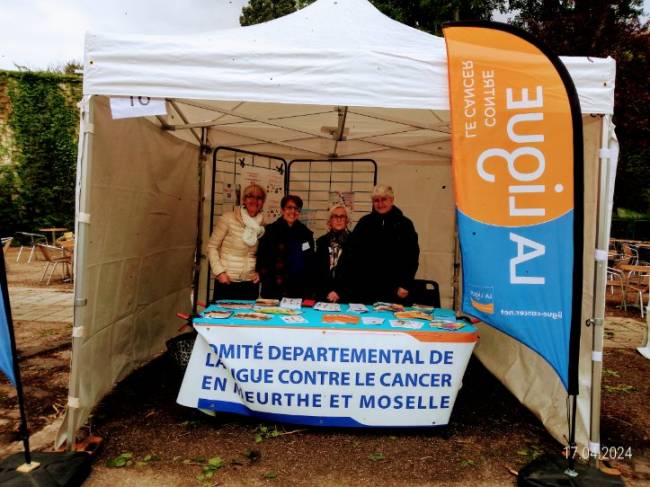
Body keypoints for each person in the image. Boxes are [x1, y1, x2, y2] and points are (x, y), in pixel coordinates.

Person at [346, 184, 419, 304]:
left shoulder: (405, 224)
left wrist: (405, 284)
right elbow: (352, 253)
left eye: (384, 199)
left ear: (392, 200)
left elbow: (412, 256)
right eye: (376, 201)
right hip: (365, 288)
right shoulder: (364, 223)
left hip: (395, 289)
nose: (380, 204)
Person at [207, 183, 266, 301]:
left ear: (263, 202)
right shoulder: (228, 218)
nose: (255, 200)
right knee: (222, 317)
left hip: (249, 283)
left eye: (259, 197)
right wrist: (219, 272)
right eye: (250, 196)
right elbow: (211, 247)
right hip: (227, 280)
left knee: (247, 318)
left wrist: (260, 273)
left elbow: (264, 253)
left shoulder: (263, 225)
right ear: (244, 199)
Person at [257, 195, 315, 299]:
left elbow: (310, 261)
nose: (293, 211)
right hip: (273, 287)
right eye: (289, 207)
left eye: (296, 209)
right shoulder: (270, 231)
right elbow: (262, 257)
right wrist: (264, 277)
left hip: (298, 289)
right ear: (282, 210)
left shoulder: (306, 233)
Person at [315, 204, 351, 302]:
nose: (339, 220)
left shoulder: (355, 242)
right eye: (335, 216)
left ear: (347, 220)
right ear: (330, 221)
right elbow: (317, 272)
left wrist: (339, 292)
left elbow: (355, 273)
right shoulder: (321, 242)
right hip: (323, 296)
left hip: (347, 297)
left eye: (342, 216)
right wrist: (328, 292)